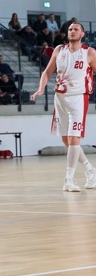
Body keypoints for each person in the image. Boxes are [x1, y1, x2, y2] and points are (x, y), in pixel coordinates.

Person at [31, 22, 96, 192]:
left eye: (76, 29)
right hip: (60, 98)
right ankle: (90, 169)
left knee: (74, 139)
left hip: (78, 98)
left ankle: (69, 180)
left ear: (82, 34)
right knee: (66, 140)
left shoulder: (89, 52)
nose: (72, 31)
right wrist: (41, 88)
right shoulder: (59, 50)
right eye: (70, 29)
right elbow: (47, 72)